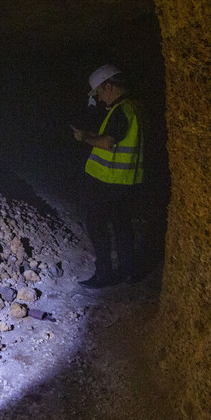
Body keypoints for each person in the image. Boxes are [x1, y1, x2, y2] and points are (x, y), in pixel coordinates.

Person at [70, 64, 145, 289]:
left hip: (108, 181)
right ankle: (128, 272)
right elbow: (117, 137)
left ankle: (104, 274)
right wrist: (90, 134)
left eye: (99, 93)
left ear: (109, 86)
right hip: (128, 181)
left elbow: (108, 142)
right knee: (123, 226)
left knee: (96, 224)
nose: (100, 99)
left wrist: (84, 139)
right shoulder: (135, 107)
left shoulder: (121, 109)